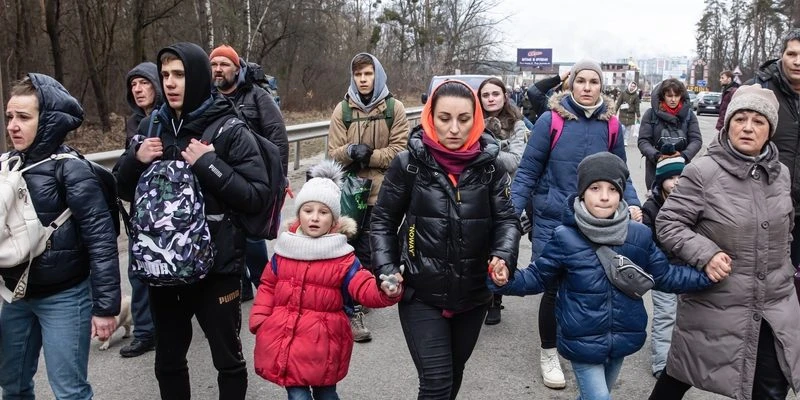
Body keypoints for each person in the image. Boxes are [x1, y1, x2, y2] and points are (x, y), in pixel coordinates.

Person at [114, 42, 271, 400]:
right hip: (164, 268)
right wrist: (135, 159)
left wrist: (209, 165)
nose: (169, 83)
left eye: (179, 74)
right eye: (166, 74)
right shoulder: (152, 125)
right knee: (168, 361)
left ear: (197, 76)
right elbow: (123, 188)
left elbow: (257, 195)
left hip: (217, 268)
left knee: (227, 360)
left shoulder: (230, 127)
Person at [491, 152, 712, 400]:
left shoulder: (638, 235)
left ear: (621, 194)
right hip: (581, 341)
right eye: (595, 188)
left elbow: (665, 276)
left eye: (612, 189)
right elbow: (537, 277)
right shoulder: (565, 237)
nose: (604, 196)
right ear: (582, 192)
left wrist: (707, 276)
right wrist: (504, 280)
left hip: (622, 339)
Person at [370, 80, 520, 399]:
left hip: (474, 293)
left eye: (464, 119)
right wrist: (386, 267)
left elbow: (507, 220)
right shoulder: (408, 163)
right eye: (444, 118)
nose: (454, 128)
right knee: (436, 383)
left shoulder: (491, 167)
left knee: (453, 375)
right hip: (420, 292)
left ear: (476, 119)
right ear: (430, 117)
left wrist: (503, 256)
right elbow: (382, 220)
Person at [648, 85, 800, 399]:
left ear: (769, 130)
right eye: (740, 119)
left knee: (771, 386)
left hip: (775, 303)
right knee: (680, 375)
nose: (747, 127)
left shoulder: (781, 174)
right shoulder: (702, 172)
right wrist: (706, 254)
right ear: (728, 124)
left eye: (758, 121)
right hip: (716, 301)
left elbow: (787, 227)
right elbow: (668, 222)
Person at [511, 59, 642, 390]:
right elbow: (527, 170)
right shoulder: (550, 120)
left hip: (598, 221)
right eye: (580, 81)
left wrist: (635, 203)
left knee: (588, 285)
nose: (586, 87)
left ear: (601, 86)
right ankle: (548, 351)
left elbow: (620, 172)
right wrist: (511, 211)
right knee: (553, 286)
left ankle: (580, 346)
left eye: (593, 82)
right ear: (570, 85)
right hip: (553, 219)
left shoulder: (611, 124)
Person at [0, 73, 121, 399]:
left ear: (48, 121)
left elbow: (101, 241)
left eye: (23, 117)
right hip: (16, 295)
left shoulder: (71, 170)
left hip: (65, 298)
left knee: (69, 392)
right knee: (11, 387)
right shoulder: (7, 166)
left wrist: (106, 307)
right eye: (10, 116)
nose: (13, 125)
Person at [250, 160, 402, 400]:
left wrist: (385, 291)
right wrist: (261, 320)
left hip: (325, 342)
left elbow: (362, 286)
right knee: (297, 395)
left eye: (323, 212)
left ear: (334, 221)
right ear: (299, 214)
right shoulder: (285, 250)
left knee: (325, 394)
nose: (314, 218)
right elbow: (268, 285)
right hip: (288, 337)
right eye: (308, 210)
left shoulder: (342, 256)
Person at [327, 52, 409, 343]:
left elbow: (400, 151)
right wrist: (350, 152)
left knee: (369, 251)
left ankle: (359, 298)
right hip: (349, 193)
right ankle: (353, 304)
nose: (363, 80)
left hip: (382, 193)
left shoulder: (394, 108)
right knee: (347, 248)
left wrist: (370, 155)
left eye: (368, 74)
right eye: (358, 74)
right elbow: (333, 151)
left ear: (378, 75)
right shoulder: (342, 110)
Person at [209, 44, 288, 302]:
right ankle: (239, 286)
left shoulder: (257, 97)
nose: (218, 70)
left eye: (224, 64)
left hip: (253, 179)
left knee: (253, 236)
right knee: (225, 232)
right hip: (219, 177)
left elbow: (277, 136)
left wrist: (280, 177)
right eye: (214, 65)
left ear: (237, 68)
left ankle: (265, 285)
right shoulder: (207, 98)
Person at [119, 61, 162, 358]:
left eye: (144, 82)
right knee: (138, 271)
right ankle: (145, 332)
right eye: (133, 85)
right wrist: (136, 158)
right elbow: (124, 171)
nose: (137, 89)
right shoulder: (133, 123)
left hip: (170, 212)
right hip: (141, 210)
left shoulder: (172, 117)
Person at [477, 76, 527, 325]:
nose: (490, 99)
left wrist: (487, 150)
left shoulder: (517, 124)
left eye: (495, 94)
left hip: (505, 192)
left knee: (503, 245)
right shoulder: (471, 121)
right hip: (475, 191)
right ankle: (481, 294)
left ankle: (496, 297)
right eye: (485, 95)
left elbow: (515, 160)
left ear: (504, 96)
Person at [750, 28, 800, 269]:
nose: (798, 61)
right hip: (765, 205)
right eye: (792, 54)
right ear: (782, 55)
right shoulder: (758, 90)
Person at [640, 156, 686, 379]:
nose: (677, 182)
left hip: (686, 269)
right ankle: (662, 363)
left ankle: (680, 358)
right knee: (666, 315)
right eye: (671, 178)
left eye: (681, 177)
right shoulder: (651, 206)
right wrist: (656, 264)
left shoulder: (691, 202)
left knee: (685, 317)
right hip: (662, 270)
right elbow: (647, 239)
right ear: (660, 181)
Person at [637, 78, 703, 190]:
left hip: (682, 167)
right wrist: (657, 156)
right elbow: (643, 141)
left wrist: (683, 156)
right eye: (669, 96)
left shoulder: (689, 115)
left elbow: (696, 140)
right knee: (655, 203)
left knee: (682, 202)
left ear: (681, 96)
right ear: (663, 96)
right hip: (656, 167)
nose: (673, 99)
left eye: (676, 96)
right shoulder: (651, 114)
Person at [615, 81, 641, 146]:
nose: (632, 87)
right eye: (631, 86)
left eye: (634, 86)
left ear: (635, 87)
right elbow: (618, 103)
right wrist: (614, 111)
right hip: (623, 114)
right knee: (622, 127)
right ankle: (621, 139)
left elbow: (637, 106)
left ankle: (625, 141)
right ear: (629, 86)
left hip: (631, 115)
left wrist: (638, 115)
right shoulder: (623, 93)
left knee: (628, 129)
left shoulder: (636, 96)